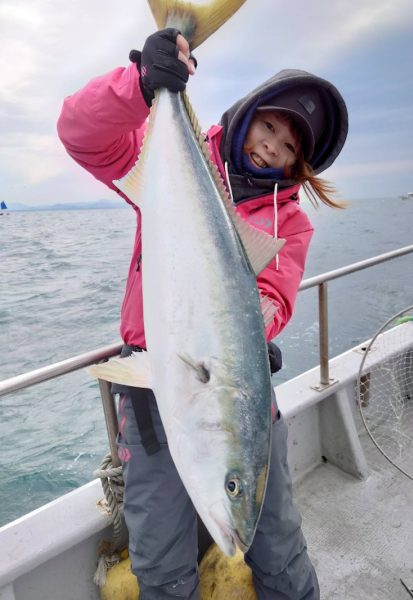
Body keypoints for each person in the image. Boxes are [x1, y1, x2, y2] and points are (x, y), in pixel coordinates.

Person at [57, 28, 348, 600]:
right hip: (149, 401)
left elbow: (276, 295)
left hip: (241, 399)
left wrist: (254, 331)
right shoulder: (167, 160)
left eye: (290, 148)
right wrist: (142, 88)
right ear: (248, 115)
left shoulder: (290, 220)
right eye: (270, 127)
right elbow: (80, 134)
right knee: (161, 567)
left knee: (281, 552)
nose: (273, 149)